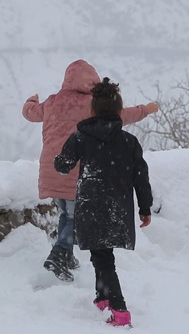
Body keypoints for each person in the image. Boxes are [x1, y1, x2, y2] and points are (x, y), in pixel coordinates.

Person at [22, 60, 158, 282]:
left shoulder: (52, 102)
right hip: (77, 168)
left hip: (53, 168)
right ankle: (59, 254)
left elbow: (29, 113)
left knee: (66, 214)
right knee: (74, 216)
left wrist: (31, 101)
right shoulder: (92, 104)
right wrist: (146, 110)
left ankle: (66, 255)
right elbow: (121, 115)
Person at [54, 77, 153, 327]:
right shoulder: (129, 142)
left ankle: (119, 309)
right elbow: (141, 177)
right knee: (101, 253)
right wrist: (145, 208)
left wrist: (60, 152)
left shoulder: (81, 137)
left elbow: (62, 165)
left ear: (93, 110)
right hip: (118, 206)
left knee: (103, 256)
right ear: (119, 111)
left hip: (91, 203)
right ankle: (102, 297)